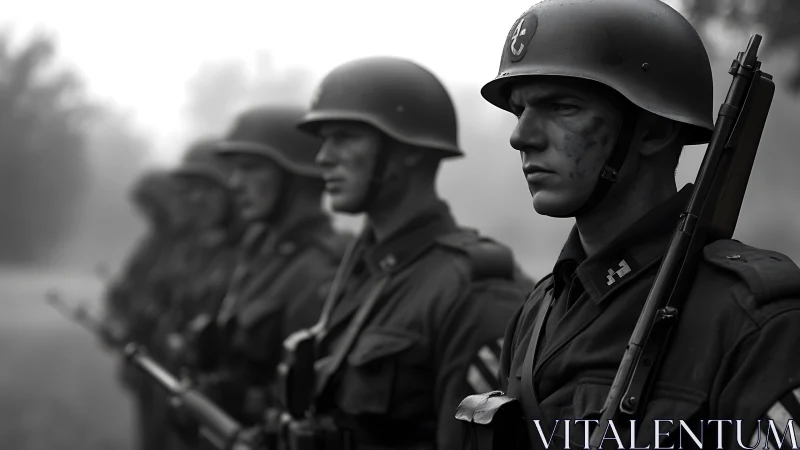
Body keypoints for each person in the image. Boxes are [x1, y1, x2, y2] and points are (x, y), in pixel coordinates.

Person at [460, 0, 800, 449]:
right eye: (520, 110)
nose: (521, 135)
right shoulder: (538, 311)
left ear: (654, 131)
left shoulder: (754, 320)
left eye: (561, 107)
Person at [286, 56, 535, 450]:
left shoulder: (473, 288)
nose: (323, 157)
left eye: (345, 137)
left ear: (409, 151)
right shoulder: (362, 270)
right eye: (324, 139)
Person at [199, 105, 353, 428]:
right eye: (234, 170)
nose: (235, 184)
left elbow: (311, 400)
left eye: (250, 168)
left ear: (296, 178)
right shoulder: (260, 250)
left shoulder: (319, 268)